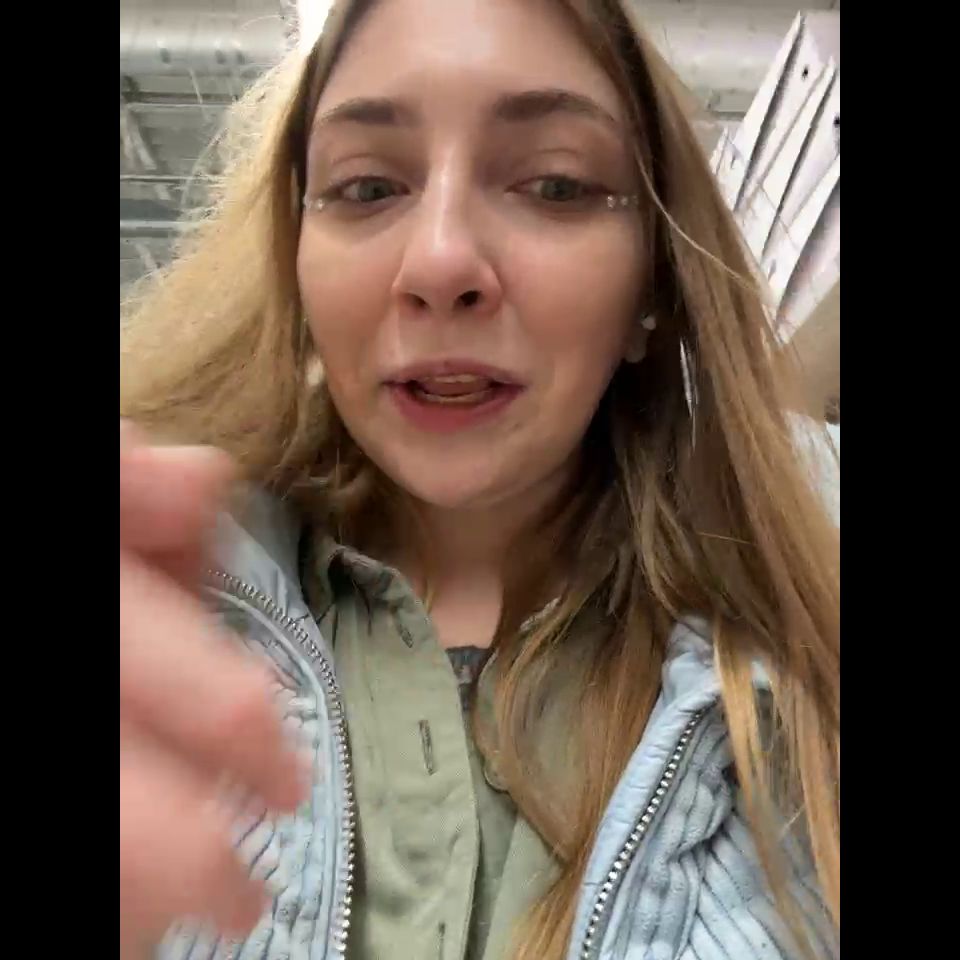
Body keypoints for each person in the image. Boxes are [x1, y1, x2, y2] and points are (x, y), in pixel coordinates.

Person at [119, 1, 841, 958]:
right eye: (367, 187)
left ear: (653, 288)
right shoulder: (156, 606)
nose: (440, 262)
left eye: (556, 184)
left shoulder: (813, 610)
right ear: (294, 269)